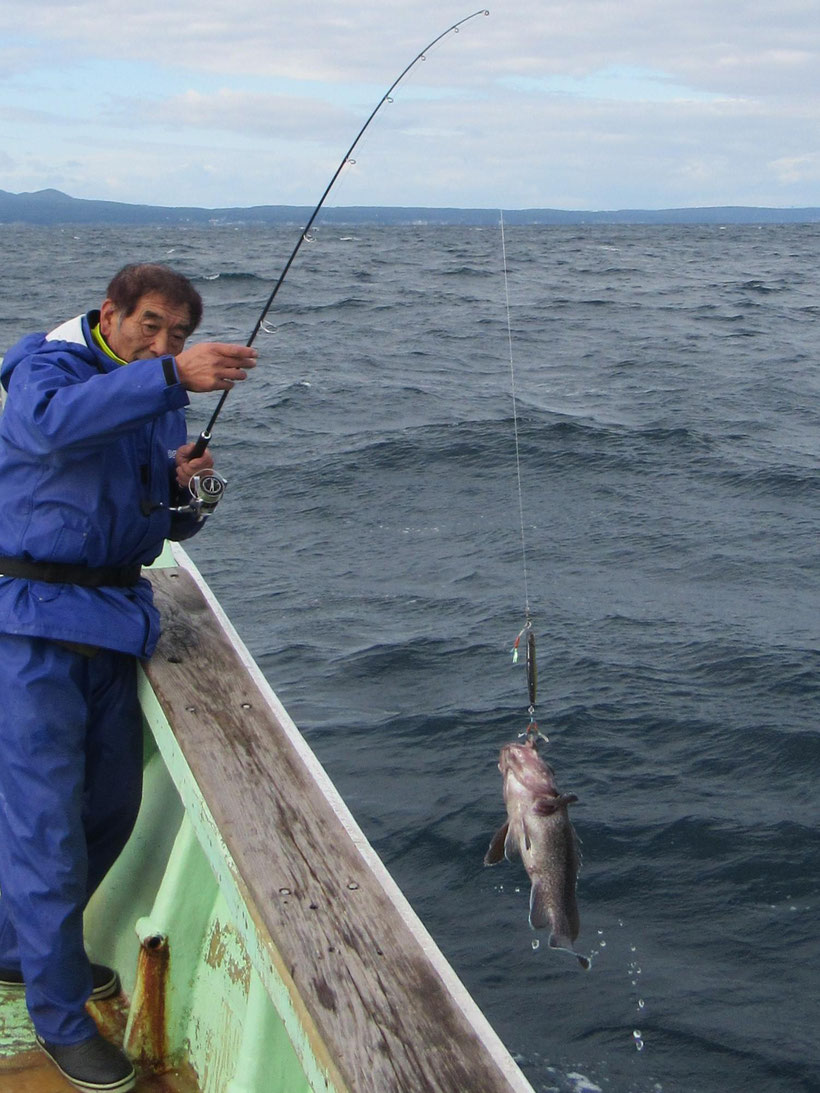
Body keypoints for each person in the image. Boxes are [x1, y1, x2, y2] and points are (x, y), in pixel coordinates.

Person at [0, 263, 257, 1092]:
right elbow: (46, 429)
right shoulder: (47, 368)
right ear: (110, 312)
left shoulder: (155, 394)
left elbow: (163, 522)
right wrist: (170, 376)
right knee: (45, 829)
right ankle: (58, 1016)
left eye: (177, 336)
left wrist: (193, 487)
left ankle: (15, 952)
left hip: (113, 621)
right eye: (150, 324)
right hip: (30, 622)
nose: (163, 343)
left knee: (112, 806)